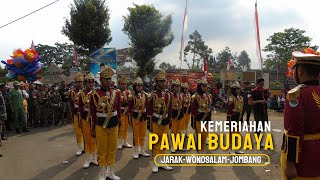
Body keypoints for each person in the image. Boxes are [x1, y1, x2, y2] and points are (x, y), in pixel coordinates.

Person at [281, 48, 320, 179]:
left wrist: (290, 163)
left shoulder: (296, 94)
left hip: (303, 159)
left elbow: (294, 131)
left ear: (300, 70)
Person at [89, 66, 121, 180]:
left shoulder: (116, 93)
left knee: (112, 149)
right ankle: (102, 174)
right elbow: (92, 113)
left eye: (110, 78)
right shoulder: (94, 94)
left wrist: (119, 124)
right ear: (101, 79)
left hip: (114, 124)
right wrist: (92, 128)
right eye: (106, 78)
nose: (108, 81)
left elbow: (118, 109)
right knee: (102, 151)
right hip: (100, 126)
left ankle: (110, 172)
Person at [147, 69, 173, 173]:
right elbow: (149, 110)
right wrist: (149, 123)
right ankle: (155, 163)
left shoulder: (168, 94)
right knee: (156, 142)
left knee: (164, 142)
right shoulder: (153, 95)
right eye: (161, 81)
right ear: (157, 82)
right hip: (156, 120)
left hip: (165, 120)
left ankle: (163, 162)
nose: (163, 83)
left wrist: (170, 120)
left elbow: (170, 108)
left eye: (164, 81)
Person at [78, 73, 98, 168]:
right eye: (89, 82)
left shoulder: (96, 93)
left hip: (94, 118)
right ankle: (87, 158)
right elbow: (80, 108)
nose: (91, 84)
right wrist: (80, 120)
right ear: (85, 83)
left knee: (94, 138)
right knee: (86, 139)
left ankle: (94, 157)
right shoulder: (82, 93)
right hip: (85, 117)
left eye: (92, 82)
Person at [128, 77, 150, 159]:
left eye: (141, 86)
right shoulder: (132, 96)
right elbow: (129, 108)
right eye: (138, 86)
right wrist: (129, 118)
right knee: (136, 134)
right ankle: (136, 151)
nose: (139, 87)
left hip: (143, 116)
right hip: (135, 116)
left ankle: (142, 150)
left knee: (143, 134)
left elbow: (147, 106)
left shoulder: (145, 95)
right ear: (135, 87)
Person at [191, 78, 212, 153]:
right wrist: (193, 121)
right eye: (203, 86)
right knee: (200, 135)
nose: (205, 87)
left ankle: (202, 149)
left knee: (205, 134)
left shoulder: (208, 96)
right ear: (199, 86)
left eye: (206, 86)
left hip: (207, 117)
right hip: (199, 118)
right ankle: (199, 150)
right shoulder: (195, 96)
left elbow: (209, 107)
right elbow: (193, 110)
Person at [67, 73, 85, 156]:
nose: (80, 83)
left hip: (85, 114)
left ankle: (86, 147)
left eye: (81, 81)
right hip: (76, 113)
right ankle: (79, 147)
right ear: (75, 82)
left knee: (86, 131)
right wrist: (71, 113)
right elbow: (71, 103)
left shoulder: (86, 91)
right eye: (78, 82)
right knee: (78, 132)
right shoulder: (72, 92)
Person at [227, 81, 244, 154]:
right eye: (237, 89)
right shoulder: (231, 98)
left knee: (237, 133)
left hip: (239, 116)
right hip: (233, 117)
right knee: (232, 133)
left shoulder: (240, 97)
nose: (238, 90)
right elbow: (229, 109)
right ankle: (231, 149)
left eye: (239, 89)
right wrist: (229, 119)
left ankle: (236, 148)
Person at [117, 75, 132, 149]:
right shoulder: (117, 92)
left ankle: (125, 141)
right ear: (119, 84)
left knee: (126, 127)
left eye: (125, 84)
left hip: (127, 113)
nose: (124, 85)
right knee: (121, 128)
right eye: (122, 84)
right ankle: (120, 142)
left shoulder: (128, 92)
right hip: (120, 112)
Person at [169, 79, 183, 153]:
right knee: (173, 131)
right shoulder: (170, 95)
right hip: (173, 115)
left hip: (179, 115)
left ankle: (178, 145)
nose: (177, 88)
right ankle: (172, 146)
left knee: (178, 131)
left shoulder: (180, 95)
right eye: (176, 86)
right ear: (172, 87)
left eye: (178, 86)